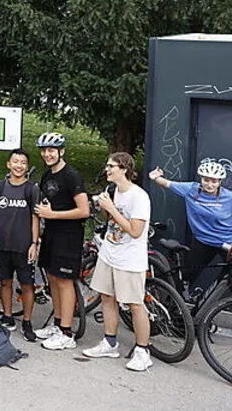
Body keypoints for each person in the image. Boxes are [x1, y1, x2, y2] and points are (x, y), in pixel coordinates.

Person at [82, 152, 154, 372]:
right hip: (109, 253)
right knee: (107, 297)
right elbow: (112, 220)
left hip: (130, 259)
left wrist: (112, 208)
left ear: (124, 169)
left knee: (135, 304)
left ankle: (143, 351)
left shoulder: (139, 197)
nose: (107, 169)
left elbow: (135, 231)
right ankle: (110, 342)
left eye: (111, 166)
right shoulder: (113, 191)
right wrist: (105, 208)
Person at [32, 131, 90, 350]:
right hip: (51, 233)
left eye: (51, 150)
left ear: (61, 151)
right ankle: (57, 323)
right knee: (53, 278)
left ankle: (67, 332)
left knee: (65, 281)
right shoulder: (47, 175)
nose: (47, 154)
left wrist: (52, 214)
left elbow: (84, 210)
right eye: (44, 151)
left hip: (69, 235)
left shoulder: (71, 176)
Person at [148, 160, 232, 298]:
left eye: (214, 181)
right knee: (187, 274)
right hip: (203, 241)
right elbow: (167, 183)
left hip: (228, 243)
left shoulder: (229, 197)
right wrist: (155, 176)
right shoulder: (191, 189)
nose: (210, 184)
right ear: (201, 179)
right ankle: (175, 304)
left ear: (220, 182)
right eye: (206, 180)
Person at [0, 148, 41, 342]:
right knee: (5, 281)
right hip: (3, 243)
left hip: (23, 245)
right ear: (8, 164)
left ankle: (27, 321)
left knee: (27, 284)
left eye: (23, 163)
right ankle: (7, 316)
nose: (19, 166)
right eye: (15, 162)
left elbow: (35, 217)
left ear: (27, 166)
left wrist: (34, 243)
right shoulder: (0, 187)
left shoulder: (31, 189)